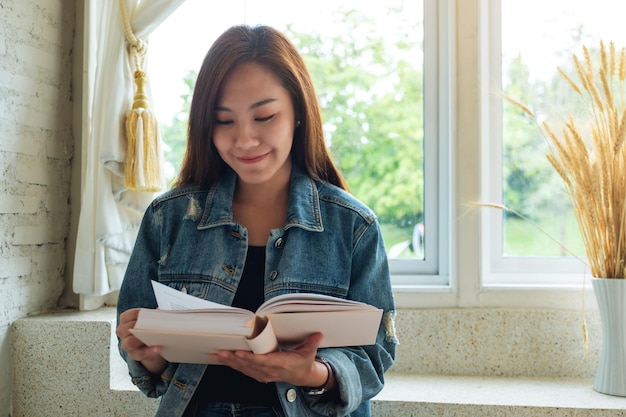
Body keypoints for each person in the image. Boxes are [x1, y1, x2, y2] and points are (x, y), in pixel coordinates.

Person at [116, 24, 397, 417]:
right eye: (224, 121)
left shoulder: (353, 226)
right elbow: (151, 368)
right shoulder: (169, 219)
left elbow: (376, 358)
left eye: (264, 116)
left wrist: (314, 373)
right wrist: (146, 354)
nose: (245, 139)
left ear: (298, 112)